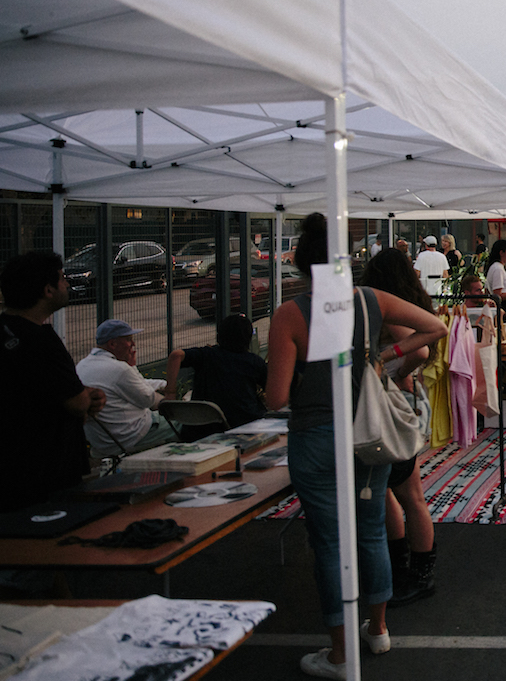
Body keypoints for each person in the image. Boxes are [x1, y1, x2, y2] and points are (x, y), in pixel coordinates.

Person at [265, 213, 446, 678]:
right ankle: (379, 630)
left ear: (301, 265)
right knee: (371, 532)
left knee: (328, 542)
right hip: (367, 433)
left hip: (316, 437)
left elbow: (277, 397)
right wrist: (382, 359)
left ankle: (341, 653)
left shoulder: (290, 314)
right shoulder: (370, 300)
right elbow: (434, 329)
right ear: (346, 260)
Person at [360, 247, 440, 609]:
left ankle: (415, 572)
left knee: (405, 493)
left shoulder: (386, 306)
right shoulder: (409, 300)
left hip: (395, 404)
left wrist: (385, 362)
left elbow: (420, 351)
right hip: (404, 401)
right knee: (395, 491)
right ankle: (406, 569)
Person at [0, 251, 105, 512]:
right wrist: (86, 397)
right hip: (47, 469)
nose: (67, 284)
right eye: (62, 278)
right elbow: (77, 402)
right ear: (47, 290)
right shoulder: (41, 341)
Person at [77, 319, 175, 457]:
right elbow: (150, 400)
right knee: (184, 422)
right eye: (128, 339)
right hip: (130, 435)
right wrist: (172, 397)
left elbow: (134, 385)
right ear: (112, 343)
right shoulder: (119, 370)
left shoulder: (82, 365)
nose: (133, 344)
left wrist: (161, 384)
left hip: (101, 440)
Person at [163, 314, 267, 434]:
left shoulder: (206, 355)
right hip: (243, 428)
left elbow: (176, 355)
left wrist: (170, 393)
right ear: (248, 339)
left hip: (198, 431)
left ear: (219, 335)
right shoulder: (254, 362)